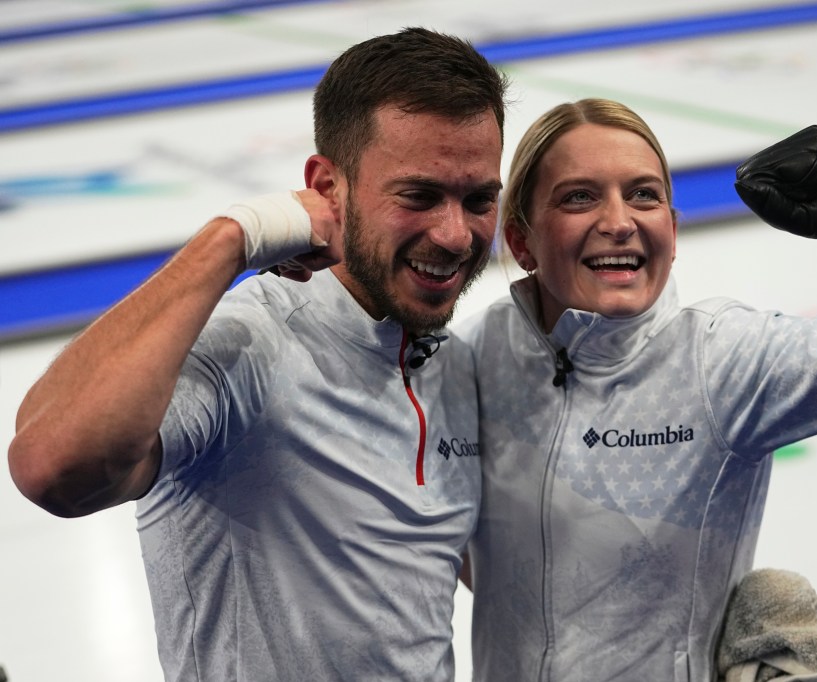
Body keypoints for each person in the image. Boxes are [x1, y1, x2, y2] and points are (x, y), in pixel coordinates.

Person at [457, 98, 817, 681]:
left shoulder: (724, 361)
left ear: (671, 234)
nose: (619, 220)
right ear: (521, 241)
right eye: (580, 196)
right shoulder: (471, 361)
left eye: (644, 194)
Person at [8, 28, 508, 681]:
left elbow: (494, 572)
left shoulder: (448, 364)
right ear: (327, 187)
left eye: (479, 200)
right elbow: (52, 468)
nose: (453, 234)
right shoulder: (249, 345)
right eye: (418, 196)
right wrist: (229, 239)